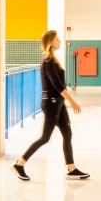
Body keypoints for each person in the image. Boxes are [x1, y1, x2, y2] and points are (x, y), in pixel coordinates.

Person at [13, 30, 90, 181]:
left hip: (58, 102)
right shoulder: (48, 60)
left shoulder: (53, 59)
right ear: (50, 42)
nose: (59, 41)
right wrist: (72, 101)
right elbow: (57, 84)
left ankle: (72, 168)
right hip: (51, 103)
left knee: (67, 134)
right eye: (56, 39)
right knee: (45, 137)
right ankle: (20, 164)